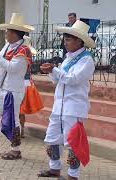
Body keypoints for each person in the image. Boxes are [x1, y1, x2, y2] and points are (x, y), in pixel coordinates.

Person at [38, 20, 95, 180]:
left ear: (79, 40)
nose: (65, 42)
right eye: (65, 39)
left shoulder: (86, 60)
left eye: (68, 39)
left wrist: (55, 70)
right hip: (60, 105)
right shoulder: (68, 58)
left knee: (73, 143)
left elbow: (73, 79)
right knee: (52, 137)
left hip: (74, 107)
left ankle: (73, 175)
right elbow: (59, 81)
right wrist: (51, 71)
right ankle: (55, 168)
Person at [0, 13, 34, 160]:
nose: (6, 33)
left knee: (13, 119)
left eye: (8, 31)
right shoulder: (8, 46)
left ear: (16, 33)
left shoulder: (24, 50)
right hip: (1, 88)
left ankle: (15, 150)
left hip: (13, 90)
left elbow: (13, 68)